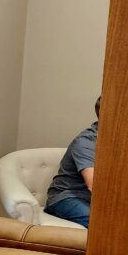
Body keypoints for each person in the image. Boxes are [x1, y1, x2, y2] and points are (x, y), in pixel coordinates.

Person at [45, 96, 100, 227]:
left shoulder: (121, 142)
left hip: (91, 199)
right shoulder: (87, 141)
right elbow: (94, 185)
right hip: (67, 197)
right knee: (102, 224)